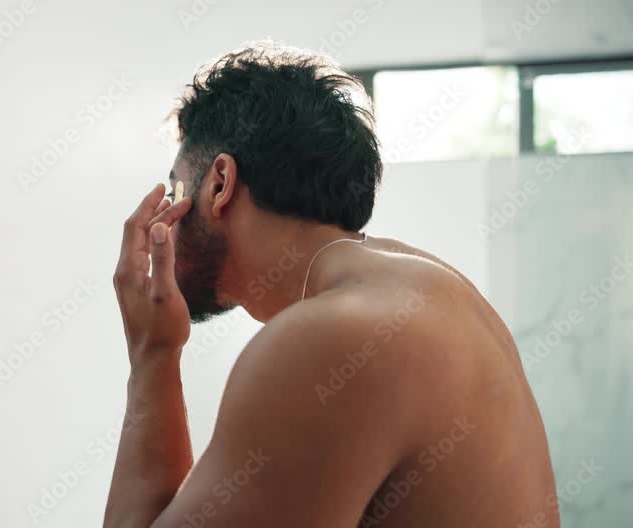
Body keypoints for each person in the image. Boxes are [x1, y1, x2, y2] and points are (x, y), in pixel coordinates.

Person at [105, 42, 559, 528]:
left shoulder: (330, 340)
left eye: (175, 191)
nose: (165, 219)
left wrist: (153, 355)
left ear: (220, 184)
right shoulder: (426, 283)